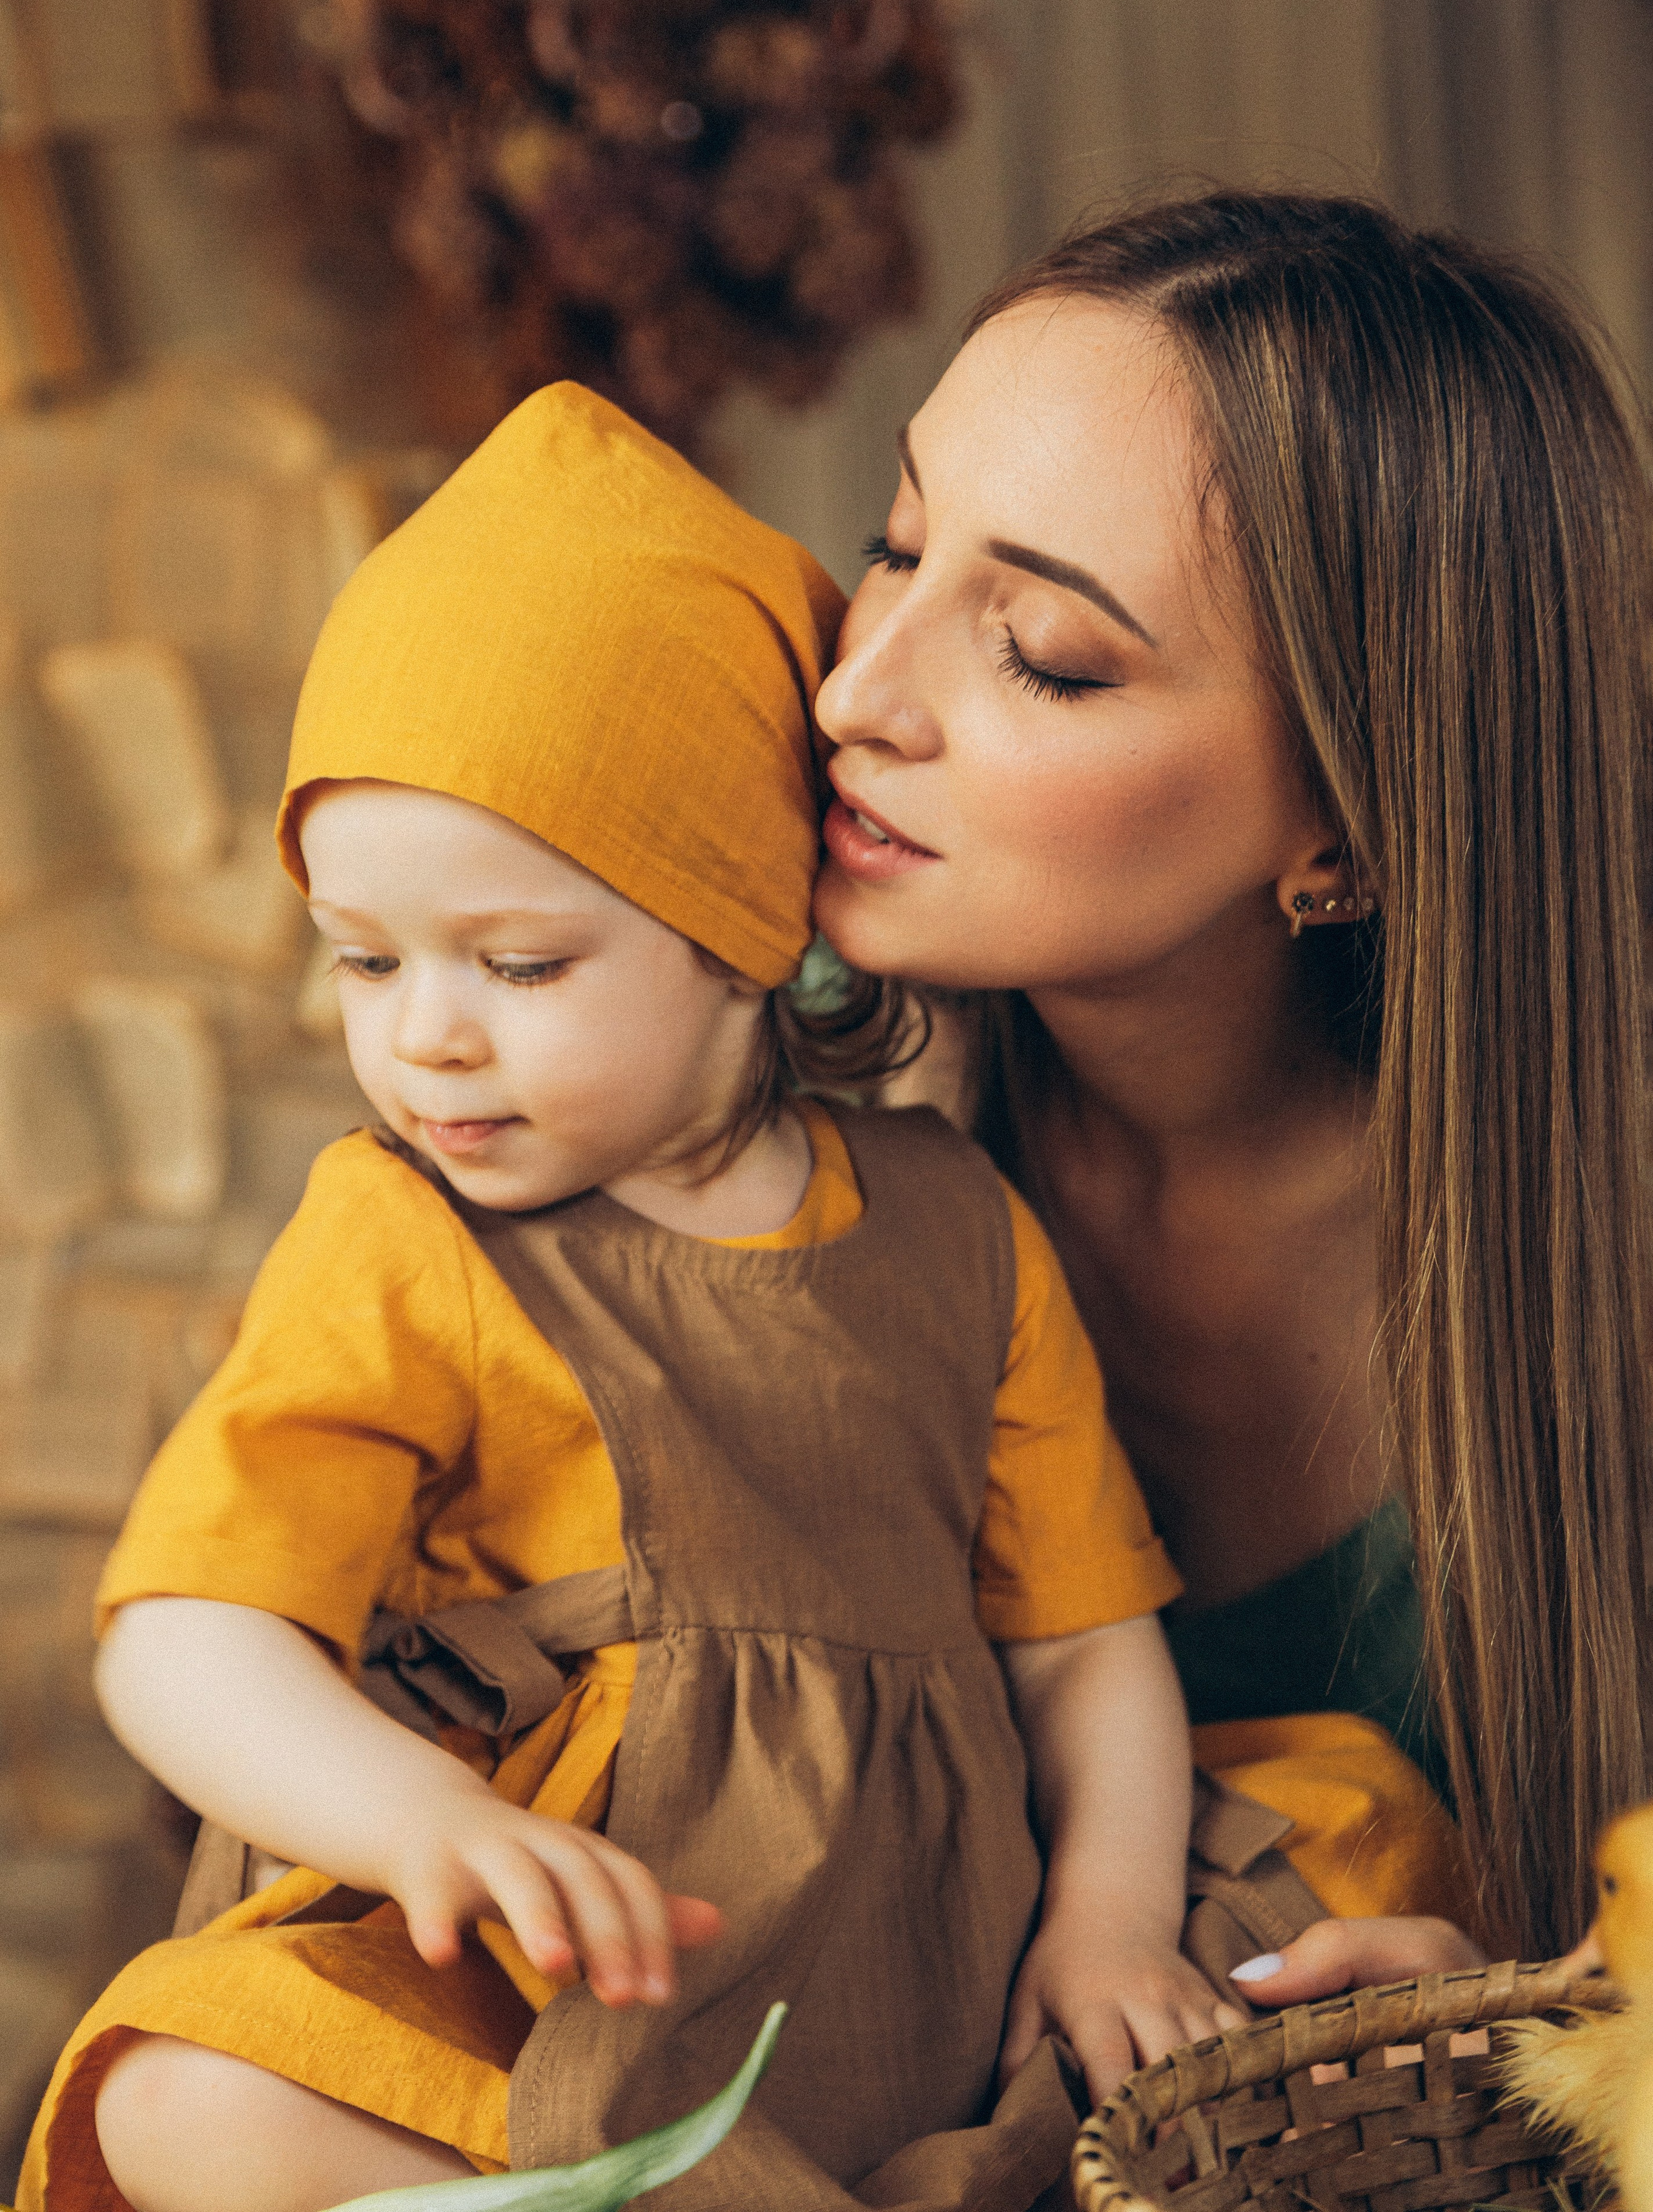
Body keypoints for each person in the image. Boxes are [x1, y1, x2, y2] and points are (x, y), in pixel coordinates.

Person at [21, 382, 1224, 2212]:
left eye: (520, 962)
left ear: (746, 935)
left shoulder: (959, 1232)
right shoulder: (407, 1238)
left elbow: (1086, 1647)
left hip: (908, 1974)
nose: (424, 1033)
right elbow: (183, 1632)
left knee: (1344, 1893)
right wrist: (420, 1819)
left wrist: (1114, 1925)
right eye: (362, 956)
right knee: (181, 2102)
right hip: (544, 1994)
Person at [812, 188, 1653, 1995]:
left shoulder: (1612, 1252)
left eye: (1044, 651)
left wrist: (1544, 2029)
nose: (859, 692)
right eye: (894, 546)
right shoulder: (751, 1066)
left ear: (1343, 833)